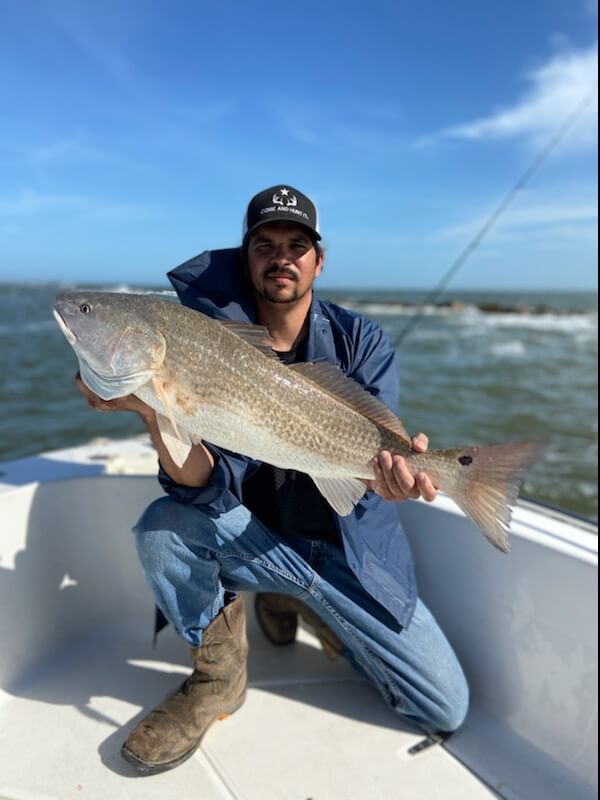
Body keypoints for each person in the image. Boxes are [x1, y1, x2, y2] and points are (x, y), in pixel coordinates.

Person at [76, 185, 469, 775]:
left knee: (445, 706)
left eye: (296, 245)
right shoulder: (203, 341)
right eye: (265, 245)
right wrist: (153, 409)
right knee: (164, 526)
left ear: (318, 258)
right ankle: (219, 678)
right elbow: (197, 487)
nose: (281, 257)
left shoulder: (360, 340)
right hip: (255, 543)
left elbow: (379, 451)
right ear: (246, 257)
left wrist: (390, 477)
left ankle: (310, 607)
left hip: (347, 555)